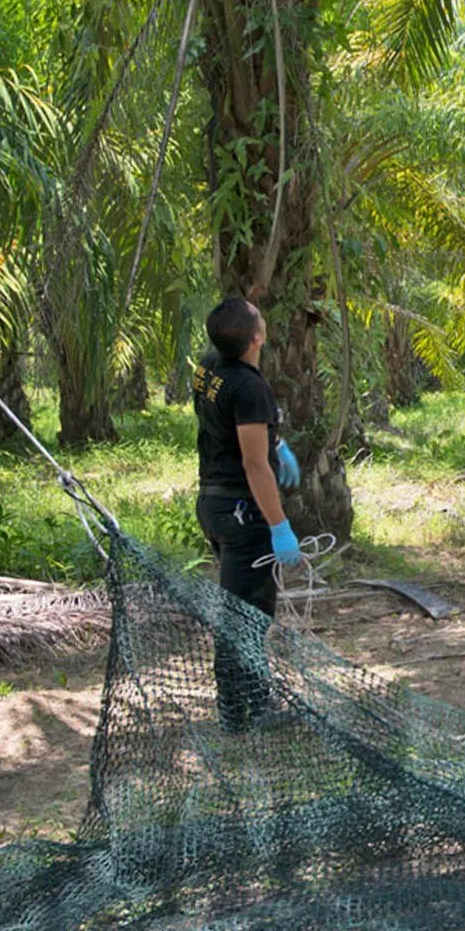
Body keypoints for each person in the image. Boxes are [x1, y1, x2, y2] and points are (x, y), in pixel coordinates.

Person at [191, 295, 303, 732]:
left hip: (213, 503)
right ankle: (249, 711)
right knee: (248, 614)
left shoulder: (208, 368)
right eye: (259, 318)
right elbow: (255, 466)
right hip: (242, 512)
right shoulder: (252, 388)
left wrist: (274, 441)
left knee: (237, 609)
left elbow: (232, 425)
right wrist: (279, 527)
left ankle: (238, 705)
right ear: (256, 339)